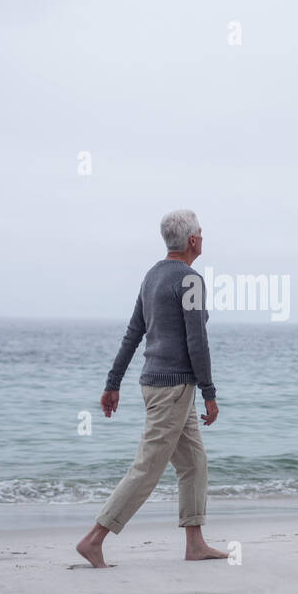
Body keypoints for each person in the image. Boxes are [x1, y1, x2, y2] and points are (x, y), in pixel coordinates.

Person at [76, 209, 228, 567]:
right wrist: (209, 392)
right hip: (174, 388)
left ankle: (195, 543)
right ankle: (94, 538)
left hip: (157, 385)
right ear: (192, 240)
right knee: (146, 468)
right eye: (201, 233)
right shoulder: (190, 280)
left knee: (193, 463)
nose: (204, 238)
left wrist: (112, 383)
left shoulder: (151, 276)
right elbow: (197, 341)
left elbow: (133, 333)